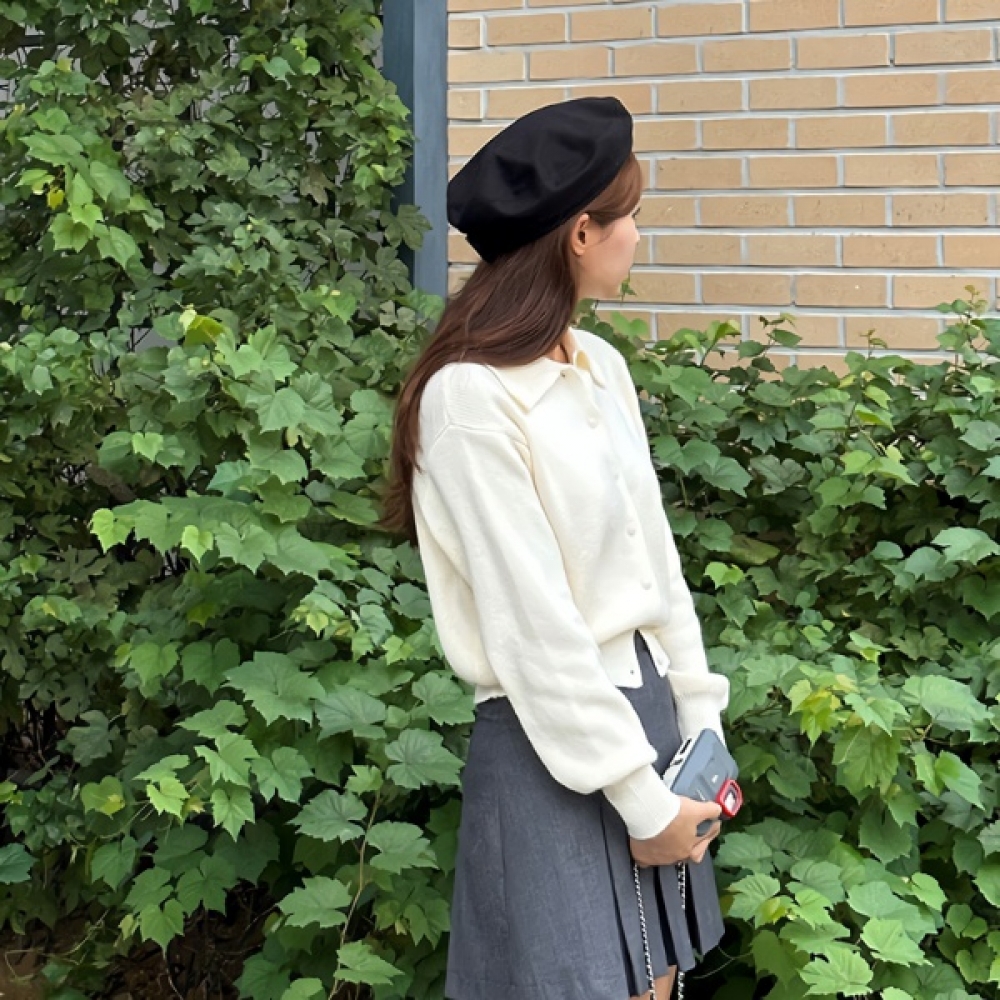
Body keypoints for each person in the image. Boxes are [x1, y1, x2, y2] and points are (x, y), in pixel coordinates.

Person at [382, 96, 731, 1000]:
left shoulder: (600, 366)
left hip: (650, 723)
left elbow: (658, 566)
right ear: (581, 233)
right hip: (550, 746)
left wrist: (702, 723)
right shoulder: (467, 398)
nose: (638, 236)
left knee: (658, 984)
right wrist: (642, 801)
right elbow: (535, 630)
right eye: (631, 216)